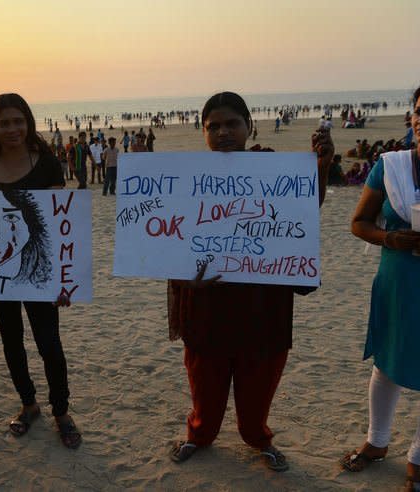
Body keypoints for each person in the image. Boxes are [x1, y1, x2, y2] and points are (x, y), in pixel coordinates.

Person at [167, 92, 334, 472]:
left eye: (232, 124)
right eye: (214, 127)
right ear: (204, 133)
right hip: (207, 304)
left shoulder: (273, 169)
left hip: (263, 305)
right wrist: (185, 279)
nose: (223, 132)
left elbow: (303, 211)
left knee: (257, 390)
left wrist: (322, 168)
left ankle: (259, 438)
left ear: (249, 127)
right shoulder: (189, 179)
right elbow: (168, 239)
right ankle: (199, 435)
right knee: (204, 386)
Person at [0, 93, 81, 449]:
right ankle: (29, 404)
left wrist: (65, 280)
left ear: (29, 123)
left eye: (19, 121)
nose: (12, 129)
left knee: (50, 345)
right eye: (4, 122)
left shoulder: (47, 164)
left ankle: (61, 411)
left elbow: (59, 227)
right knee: (11, 343)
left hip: (38, 275)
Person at [340, 86, 420, 491]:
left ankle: (418, 460)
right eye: (419, 111)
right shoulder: (391, 167)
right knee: (387, 364)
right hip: (397, 280)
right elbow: (359, 222)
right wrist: (391, 239)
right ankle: (377, 442)